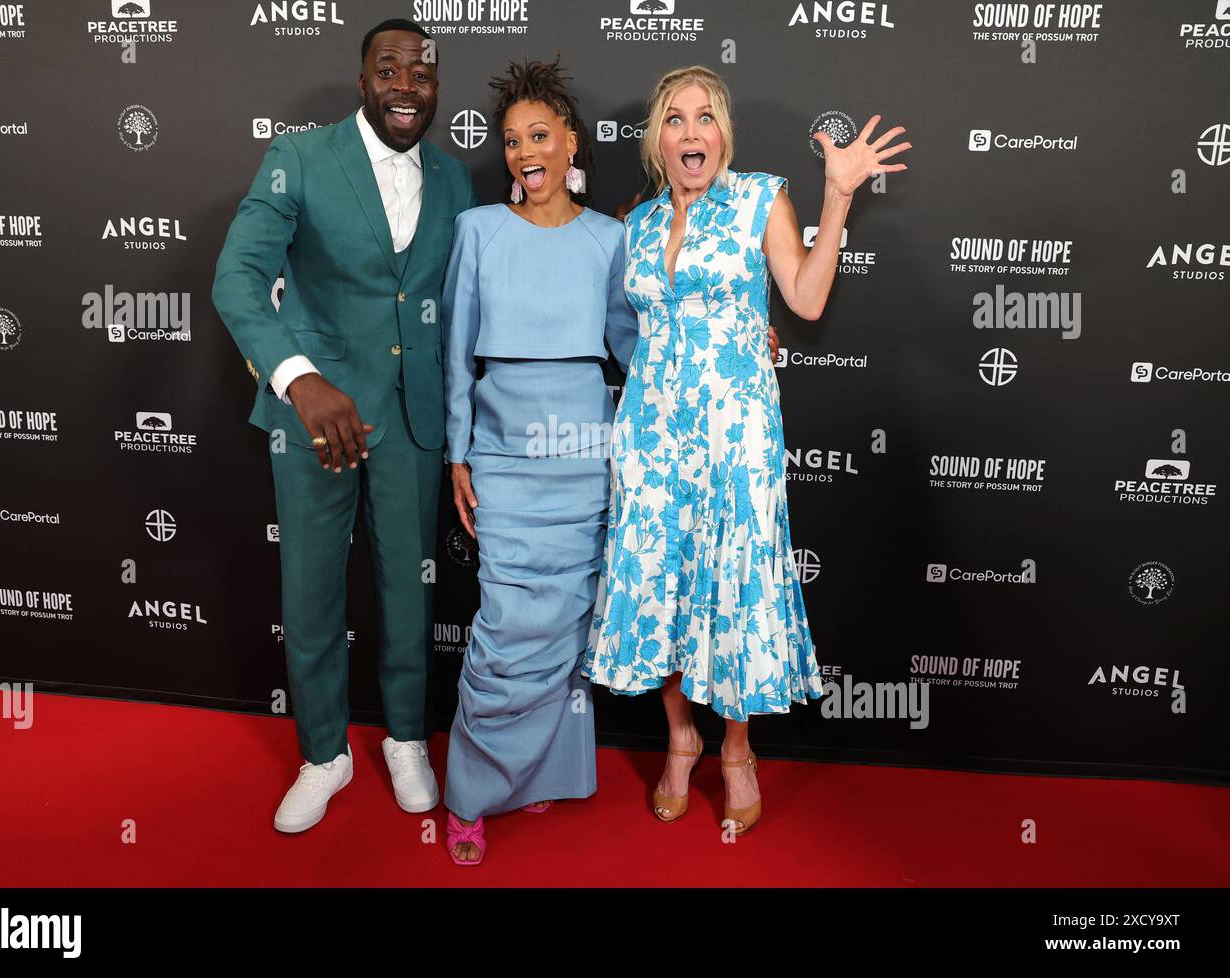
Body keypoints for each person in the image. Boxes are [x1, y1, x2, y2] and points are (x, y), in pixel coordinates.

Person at [584, 65, 911, 837]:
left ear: (724, 133)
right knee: (659, 578)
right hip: (652, 430)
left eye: (706, 118)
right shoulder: (633, 225)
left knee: (735, 580)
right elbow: (626, 331)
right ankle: (680, 738)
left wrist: (836, 198)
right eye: (676, 119)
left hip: (737, 430)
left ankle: (736, 750)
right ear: (657, 140)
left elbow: (803, 297)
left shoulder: (761, 197)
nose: (692, 132)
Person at [211, 18, 476, 833]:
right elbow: (237, 278)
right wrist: (300, 381)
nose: (406, 85)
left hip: (412, 417)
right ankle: (325, 753)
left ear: (436, 89)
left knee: (409, 593)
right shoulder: (300, 159)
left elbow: (468, 302)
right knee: (313, 591)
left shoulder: (456, 179)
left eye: (421, 74)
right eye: (388, 69)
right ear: (362, 80)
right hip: (316, 422)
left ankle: (404, 740)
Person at [438, 56, 639, 866]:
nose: (525, 150)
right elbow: (456, 353)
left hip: (586, 458)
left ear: (569, 143)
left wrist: (727, 342)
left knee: (565, 631)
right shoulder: (477, 231)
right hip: (506, 458)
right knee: (507, 631)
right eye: (512, 138)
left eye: (540, 135)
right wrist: (458, 453)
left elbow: (634, 349)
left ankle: (544, 771)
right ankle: (473, 793)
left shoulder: (610, 238)